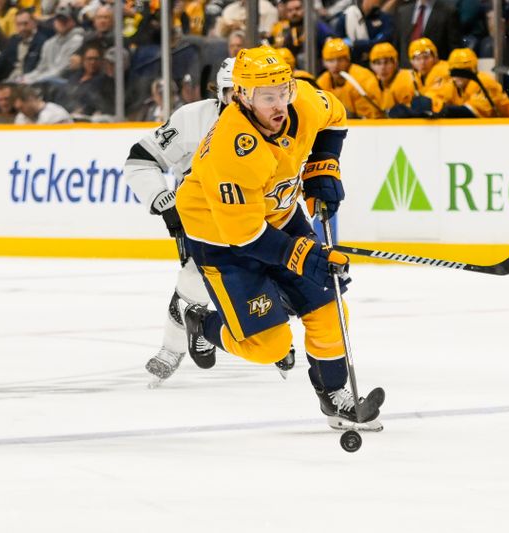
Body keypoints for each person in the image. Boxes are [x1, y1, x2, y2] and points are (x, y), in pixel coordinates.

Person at [175, 47, 383, 431]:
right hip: (223, 241)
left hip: (280, 218)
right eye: (266, 97)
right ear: (241, 96)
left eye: (283, 91)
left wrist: (324, 164)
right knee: (267, 346)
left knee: (328, 306)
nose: (279, 104)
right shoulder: (231, 147)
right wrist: (300, 256)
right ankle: (200, 323)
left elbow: (335, 113)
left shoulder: (301, 101)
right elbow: (245, 233)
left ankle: (335, 396)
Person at [123, 59, 238, 384]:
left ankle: (270, 335)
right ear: (220, 93)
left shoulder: (273, 120)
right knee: (193, 282)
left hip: (255, 213)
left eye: (247, 92)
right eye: (232, 92)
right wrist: (164, 200)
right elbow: (140, 159)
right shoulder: (192, 119)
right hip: (202, 216)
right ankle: (175, 346)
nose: (239, 100)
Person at [429, 48, 509, 118]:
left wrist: (444, 110)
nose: (458, 76)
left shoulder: (485, 81)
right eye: (455, 72)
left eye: (464, 71)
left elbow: (473, 111)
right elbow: (432, 99)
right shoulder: (451, 84)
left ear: (473, 71)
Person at [316, 37, 383, 118]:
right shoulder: (322, 82)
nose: (336, 65)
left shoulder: (363, 78)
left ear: (348, 60)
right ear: (324, 63)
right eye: (330, 60)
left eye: (340, 60)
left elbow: (371, 116)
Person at [0, 9, 47, 85]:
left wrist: (26, 79)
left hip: (29, 82)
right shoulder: (14, 40)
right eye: (19, 24)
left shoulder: (42, 42)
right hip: (11, 80)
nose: (22, 28)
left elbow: (41, 68)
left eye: (25, 24)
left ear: (34, 23)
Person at [21, 5, 84, 84]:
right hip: (45, 81)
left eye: (65, 20)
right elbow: (40, 69)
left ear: (73, 22)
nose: (61, 23)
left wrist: (32, 81)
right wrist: (25, 78)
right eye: (58, 19)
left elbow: (60, 71)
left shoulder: (77, 41)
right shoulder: (49, 43)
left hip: (64, 83)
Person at [392, 0, 462, 68]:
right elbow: (397, 45)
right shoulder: (402, 11)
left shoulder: (448, 12)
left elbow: (454, 49)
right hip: (406, 72)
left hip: (436, 72)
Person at [342, 0, 395, 67]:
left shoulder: (384, 18)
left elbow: (382, 40)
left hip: (380, 61)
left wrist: (355, 44)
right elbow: (340, 42)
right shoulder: (347, 17)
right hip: (354, 63)